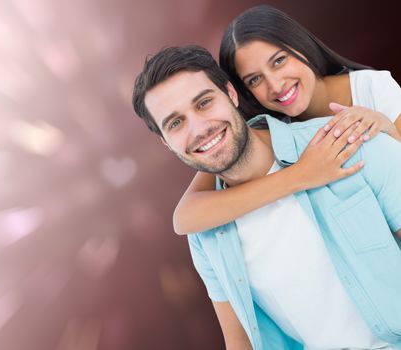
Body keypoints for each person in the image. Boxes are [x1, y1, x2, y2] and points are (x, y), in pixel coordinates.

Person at [131, 45, 401, 349]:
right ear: (167, 144)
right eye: (175, 123)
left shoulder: (347, 140)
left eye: (204, 103)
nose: (199, 129)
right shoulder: (206, 235)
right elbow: (239, 340)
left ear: (231, 94)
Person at [173, 5, 401, 236]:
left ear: (300, 45)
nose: (275, 85)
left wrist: (388, 129)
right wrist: (302, 174)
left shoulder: (373, 88)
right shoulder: (266, 130)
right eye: (254, 80)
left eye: (279, 61)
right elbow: (184, 218)